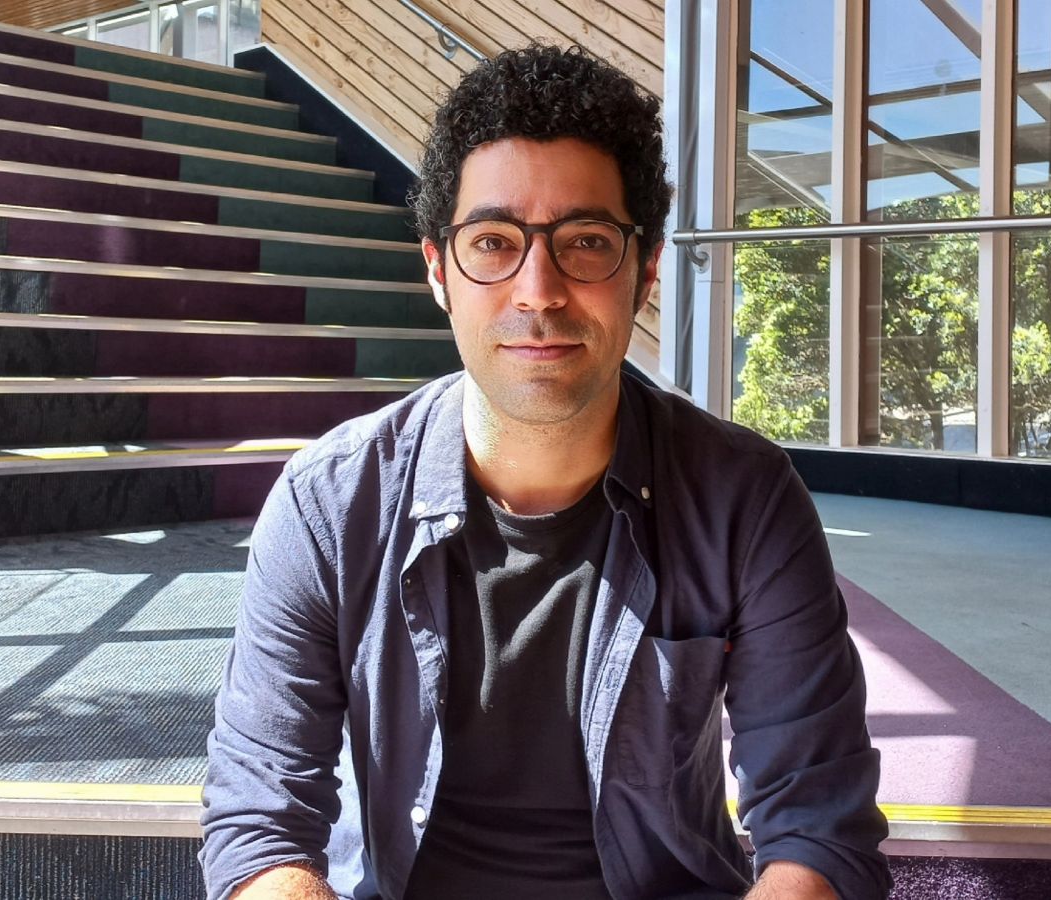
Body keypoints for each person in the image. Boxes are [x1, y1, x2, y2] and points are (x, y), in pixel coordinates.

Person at [200, 44, 890, 900]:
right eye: (493, 242)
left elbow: (819, 827)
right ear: (438, 270)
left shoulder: (743, 498)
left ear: (644, 272)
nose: (539, 289)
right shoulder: (329, 503)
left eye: (585, 242)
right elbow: (260, 819)